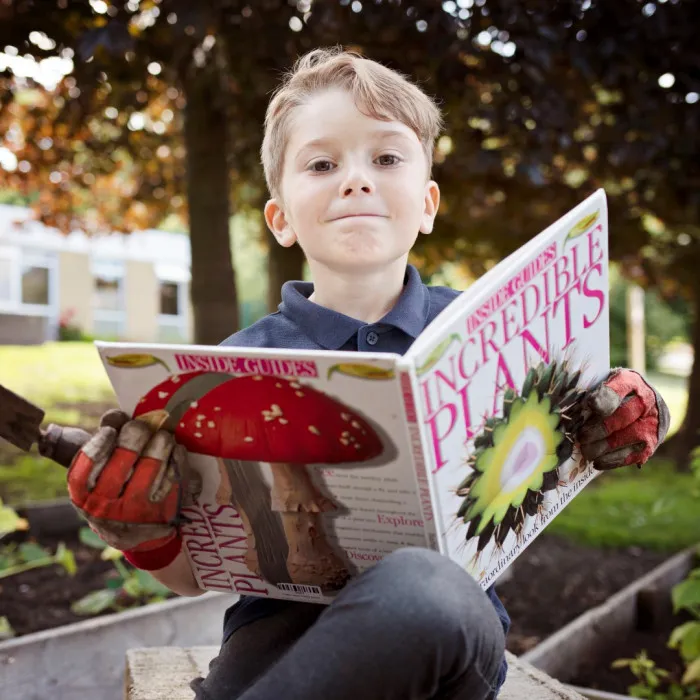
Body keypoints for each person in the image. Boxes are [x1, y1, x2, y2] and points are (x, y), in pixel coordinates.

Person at [66, 48, 670, 700]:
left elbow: (584, 407)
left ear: (428, 203)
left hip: (446, 640)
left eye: (385, 159)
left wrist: (634, 409)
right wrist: (141, 530)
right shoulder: (233, 369)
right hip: (272, 651)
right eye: (322, 164)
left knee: (426, 584)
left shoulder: (493, 326)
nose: (355, 180)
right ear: (281, 219)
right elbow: (193, 576)